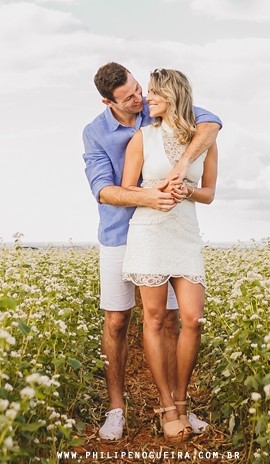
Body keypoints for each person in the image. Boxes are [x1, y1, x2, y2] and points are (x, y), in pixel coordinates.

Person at [82, 62, 221, 441]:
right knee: (117, 321)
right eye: (130, 97)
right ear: (108, 101)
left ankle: (178, 406)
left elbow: (210, 124)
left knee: (177, 321)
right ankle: (116, 409)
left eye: (140, 89)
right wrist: (150, 195)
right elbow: (103, 189)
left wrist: (182, 168)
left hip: (175, 232)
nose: (140, 98)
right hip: (120, 232)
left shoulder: (154, 107)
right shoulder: (96, 133)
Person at [120, 68, 217, 442]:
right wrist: (158, 188)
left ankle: (183, 399)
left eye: (156, 93)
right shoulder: (142, 138)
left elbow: (208, 193)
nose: (147, 100)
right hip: (149, 231)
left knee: (191, 320)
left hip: (185, 234)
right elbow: (129, 189)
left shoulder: (204, 139)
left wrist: (186, 190)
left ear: (174, 96)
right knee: (156, 318)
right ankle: (166, 405)